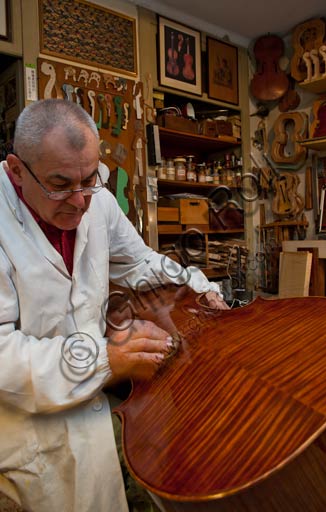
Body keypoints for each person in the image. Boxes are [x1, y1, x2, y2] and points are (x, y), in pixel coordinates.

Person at [0, 98, 227, 512]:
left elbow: (139, 262)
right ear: (17, 170)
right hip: (22, 425)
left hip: (91, 407)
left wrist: (197, 284)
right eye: (61, 184)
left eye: (90, 178)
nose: (80, 200)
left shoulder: (97, 201)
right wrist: (107, 360)